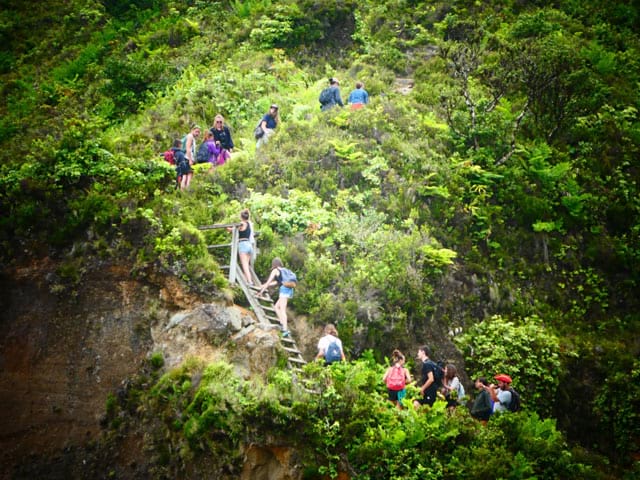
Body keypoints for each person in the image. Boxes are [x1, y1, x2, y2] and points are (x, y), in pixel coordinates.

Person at [257, 257, 294, 336]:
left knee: (282, 309)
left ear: (274, 264)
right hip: (289, 290)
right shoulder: (284, 270)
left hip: (284, 290)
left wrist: (261, 291)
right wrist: (263, 285)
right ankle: (282, 323)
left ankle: (285, 329)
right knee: (276, 307)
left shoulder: (275, 270)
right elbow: (276, 283)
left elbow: (269, 282)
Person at [227, 209, 253, 286]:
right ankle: (246, 281)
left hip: (243, 245)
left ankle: (250, 282)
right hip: (249, 244)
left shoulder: (242, 224)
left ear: (241, 217)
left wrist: (227, 228)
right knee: (246, 265)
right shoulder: (249, 224)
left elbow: (233, 230)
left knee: (244, 266)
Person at [180, 124, 200, 190]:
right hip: (187, 159)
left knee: (185, 176)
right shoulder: (190, 137)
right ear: (192, 130)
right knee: (188, 176)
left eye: (199, 132)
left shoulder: (190, 137)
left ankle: (182, 193)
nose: (198, 133)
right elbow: (188, 148)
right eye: (196, 131)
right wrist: (190, 160)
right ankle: (186, 193)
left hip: (185, 158)